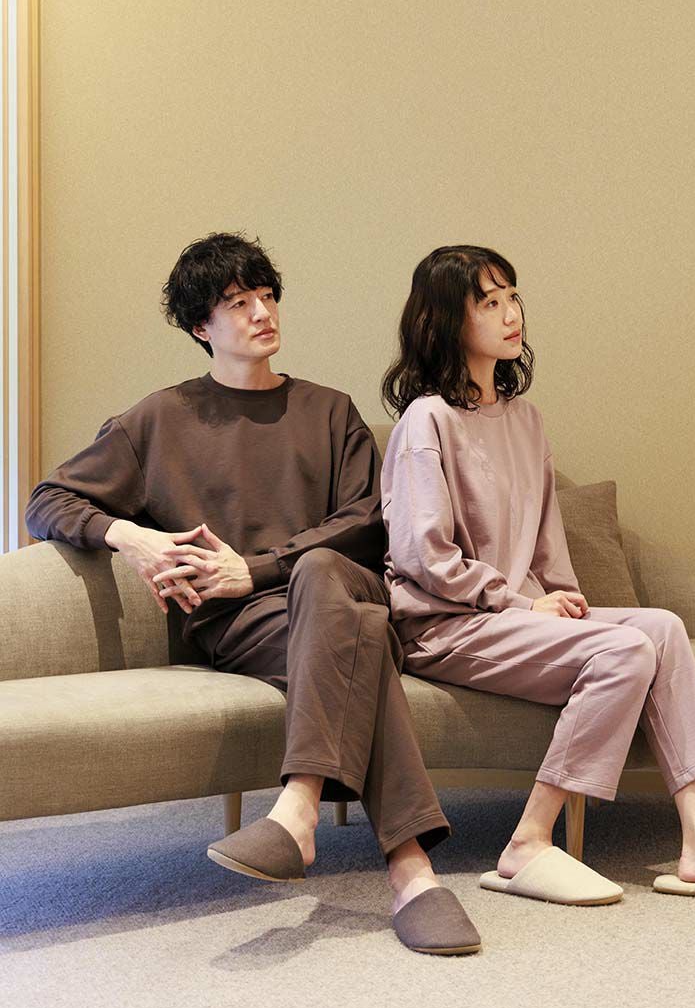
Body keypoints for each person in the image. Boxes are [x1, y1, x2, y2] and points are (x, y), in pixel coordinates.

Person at [25, 232, 481, 955]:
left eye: (267, 296)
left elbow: (368, 523)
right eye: (239, 303)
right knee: (360, 639)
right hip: (243, 624)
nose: (262, 312)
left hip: (338, 588)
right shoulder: (159, 419)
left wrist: (261, 566)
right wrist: (133, 537)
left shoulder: (330, 411)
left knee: (324, 575)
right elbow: (48, 500)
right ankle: (412, 874)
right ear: (200, 327)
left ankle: (298, 811)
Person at [379, 244, 695, 908]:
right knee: (625, 649)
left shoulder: (525, 420)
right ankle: (527, 844)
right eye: (488, 303)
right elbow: (423, 555)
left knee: (662, 628)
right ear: (445, 320)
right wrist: (519, 604)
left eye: (512, 297)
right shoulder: (425, 420)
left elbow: (546, 542)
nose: (510, 314)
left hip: (513, 615)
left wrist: (558, 598)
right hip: (446, 624)